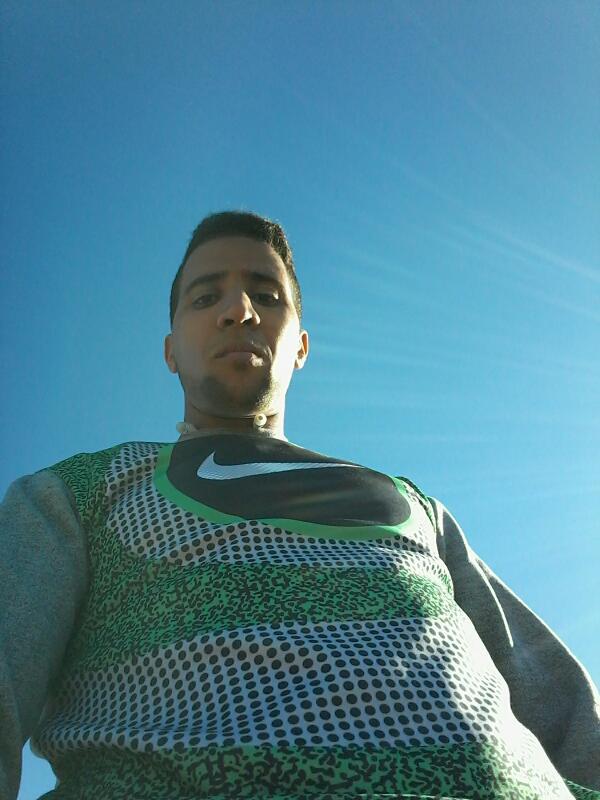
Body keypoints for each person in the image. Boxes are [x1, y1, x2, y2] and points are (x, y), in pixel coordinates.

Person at [1, 210, 598, 800]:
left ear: (301, 346)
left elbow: (562, 705)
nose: (239, 310)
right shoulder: (77, 493)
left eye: (266, 296)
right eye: (206, 298)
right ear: (171, 351)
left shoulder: (416, 506)